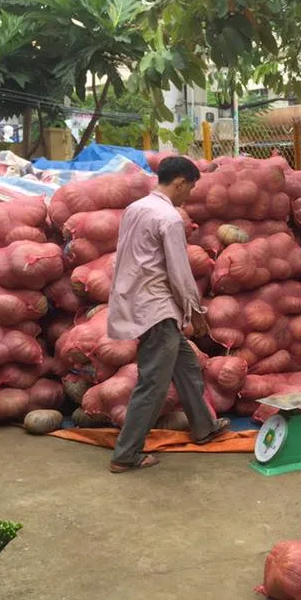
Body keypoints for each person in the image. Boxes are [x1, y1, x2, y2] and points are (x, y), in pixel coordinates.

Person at [105, 156, 229, 472]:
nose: (189, 195)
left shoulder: (136, 208)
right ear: (180, 182)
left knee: (186, 366)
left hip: (136, 299)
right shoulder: (169, 218)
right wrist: (195, 311)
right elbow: (179, 272)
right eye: (191, 188)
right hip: (157, 307)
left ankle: (203, 426)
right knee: (153, 383)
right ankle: (126, 454)